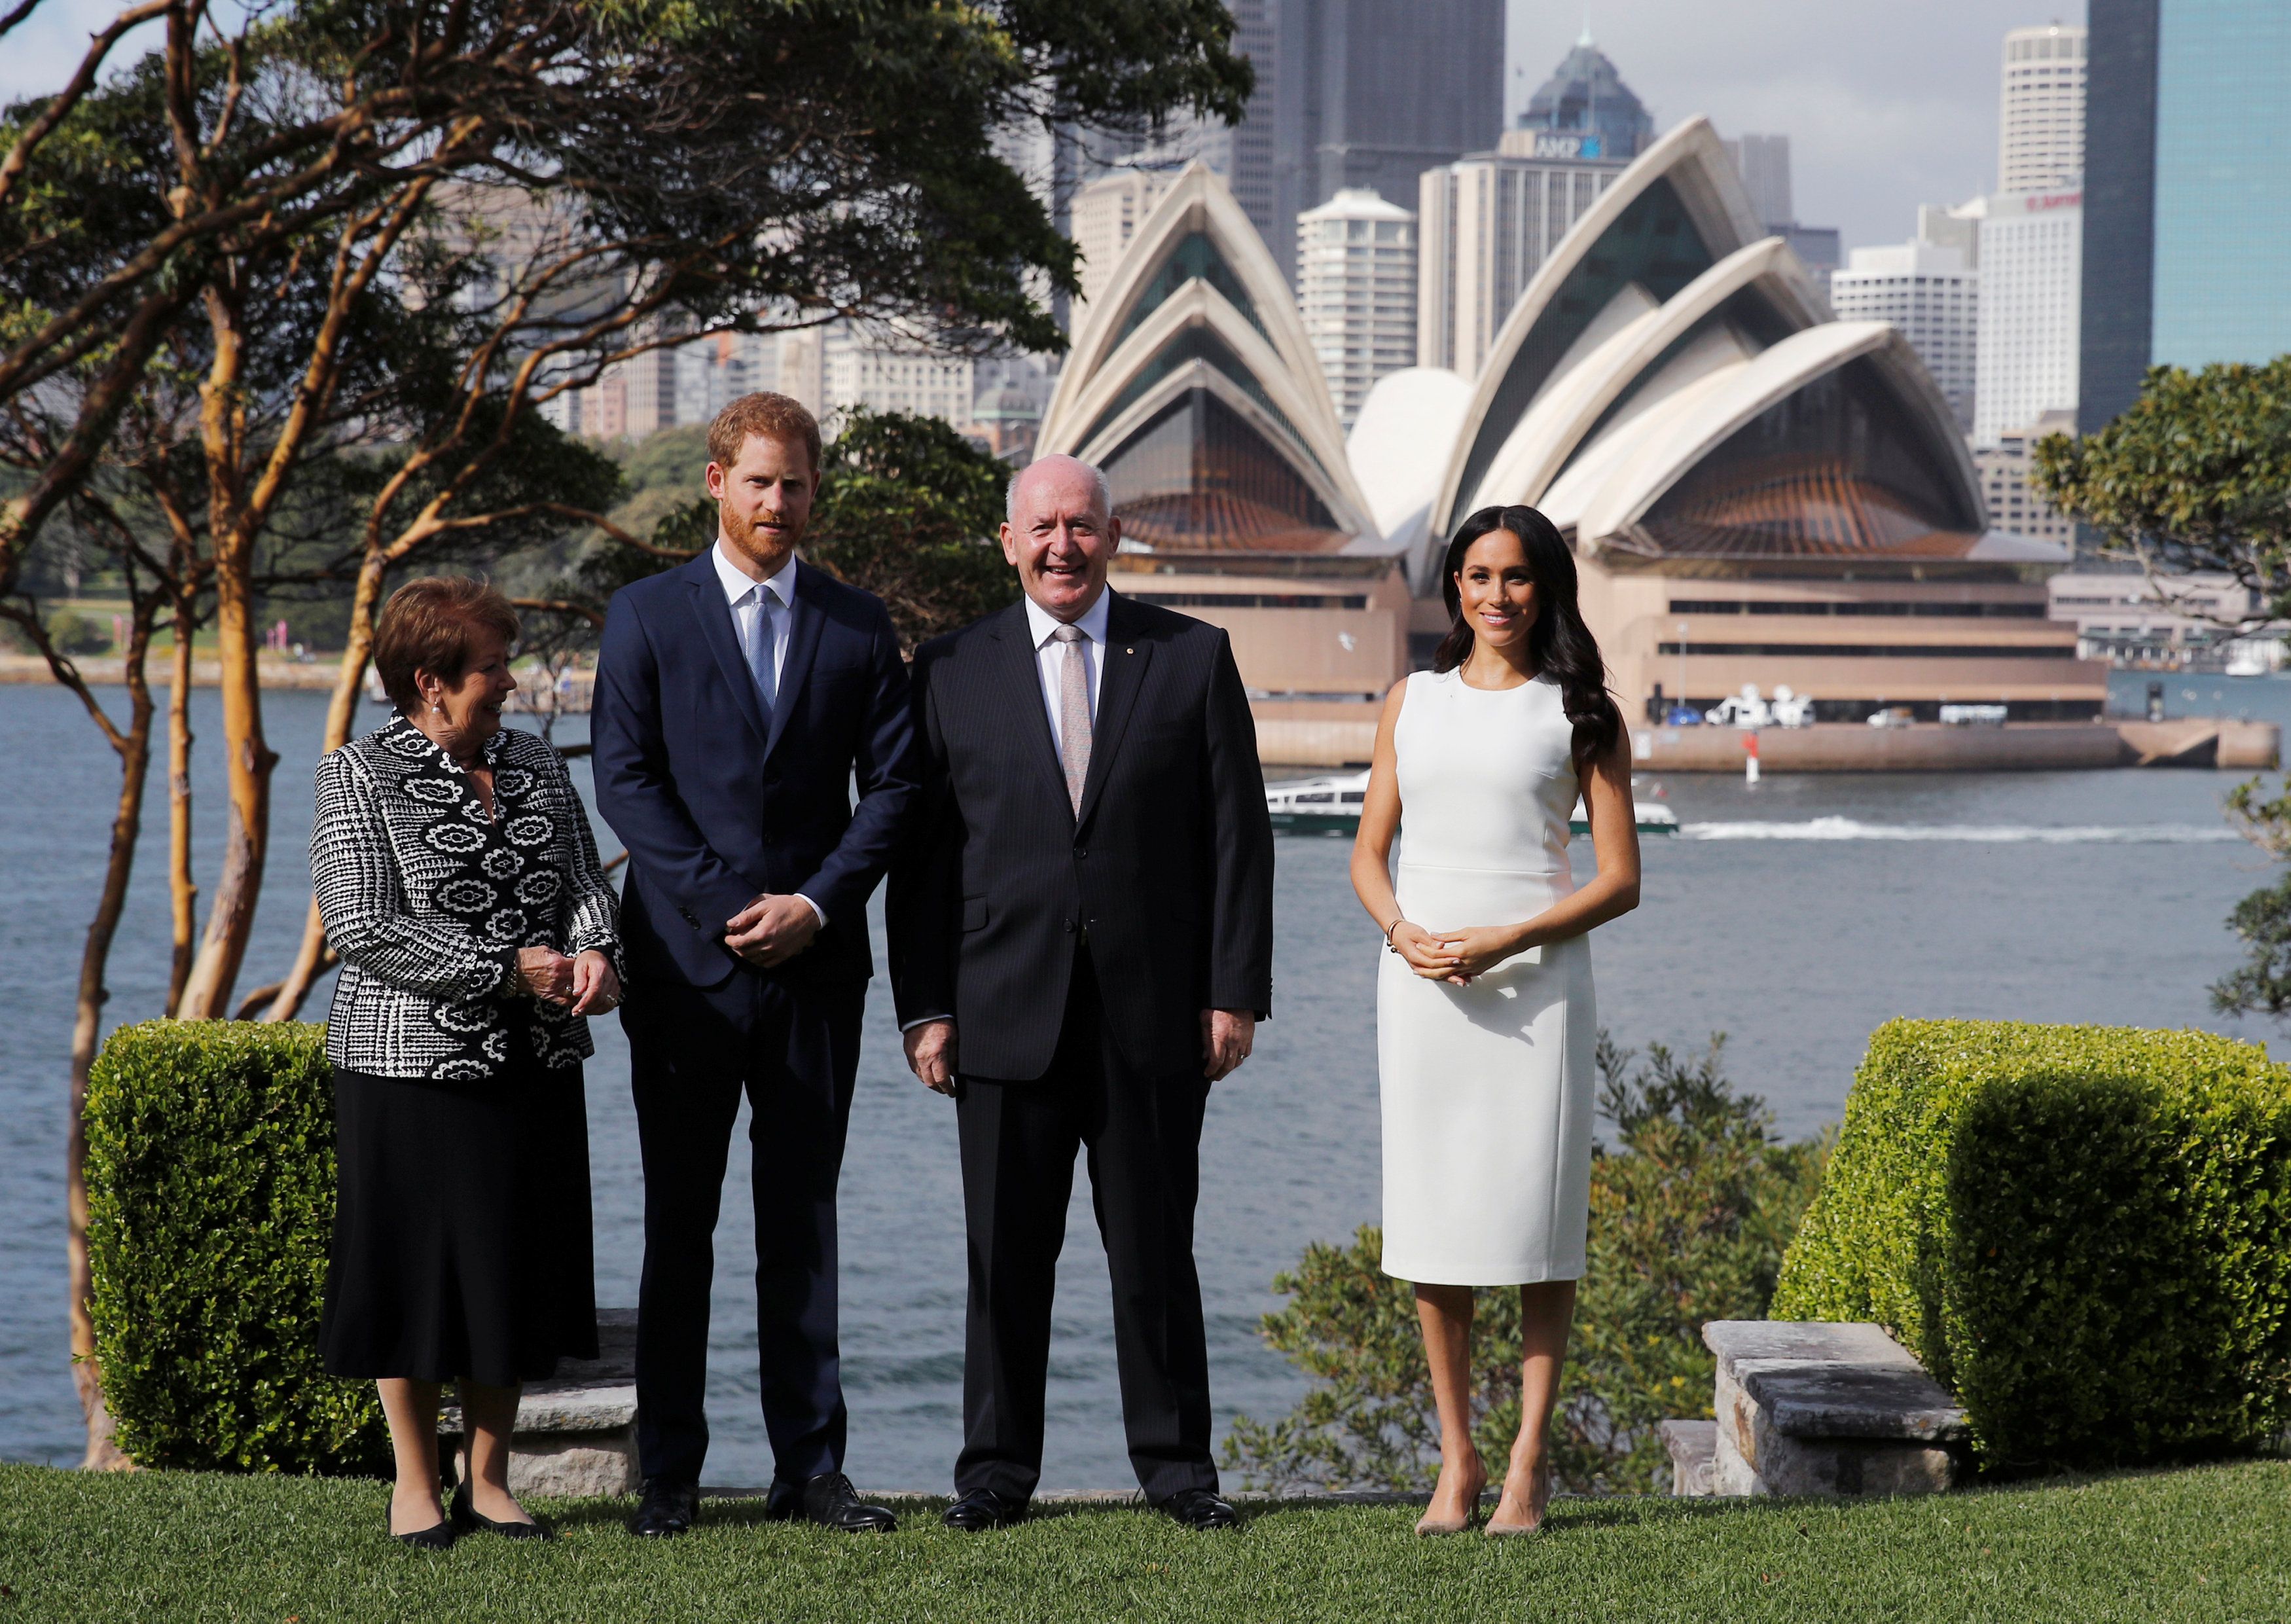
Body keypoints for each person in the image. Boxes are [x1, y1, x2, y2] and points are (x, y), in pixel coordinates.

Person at [888, 454, 1275, 1534]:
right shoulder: (952, 666)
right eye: (1044, 527)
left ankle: (1178, 1471)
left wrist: (1234, 992)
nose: (1064, 545)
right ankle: (995, 1477)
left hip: (1156, 1017)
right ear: (1009, 541)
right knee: (1003, 1261)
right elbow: (921, 862)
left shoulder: (1193, 657)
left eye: (1084, 526)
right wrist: (925, 1007)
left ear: (1116, 536)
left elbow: (1240, 841)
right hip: (998, 1012)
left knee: (1155, 1255)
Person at [590, 392, 917, 1538]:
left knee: (803, 1219)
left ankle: (811, 1469)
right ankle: (668, 1471)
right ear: (717, 483)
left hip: (815, 972)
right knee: (681, 1222)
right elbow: (627, 783)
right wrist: (741, 908)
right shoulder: (644, 616)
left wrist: (817, 905)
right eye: (762, 482)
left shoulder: (858, 624)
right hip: (684, 970)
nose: (781, 503)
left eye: (798, 485)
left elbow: (898, 790)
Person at [1348, 505, 1641, 1538]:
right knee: (1434, 1222)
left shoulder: (1583, 711)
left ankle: (1526, 1465)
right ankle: (1457, 1460)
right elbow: (1368, 854)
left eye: (1516, 577)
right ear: (1454, 585)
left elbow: (1619, 881)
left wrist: (1506, 939)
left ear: (1547, 585)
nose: (1496, 595)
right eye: (1478, 574)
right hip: (1423, 989)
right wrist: (1403, 933)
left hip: (1537, 989)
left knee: (1540, 1226)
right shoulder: (1412, 700)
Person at [312, 577, 623, 1549]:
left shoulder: (533, 762)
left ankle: (489, 1481)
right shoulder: (354, 775)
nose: (511, 681)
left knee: (514, 1267)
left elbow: (582, 877)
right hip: (404, 1066)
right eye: (493, 666)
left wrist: (599, 949)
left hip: (533, 1060)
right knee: (409, 1275)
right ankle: (415, 1485)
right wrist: (504, 970)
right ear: (430, 681)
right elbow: (361, 927)